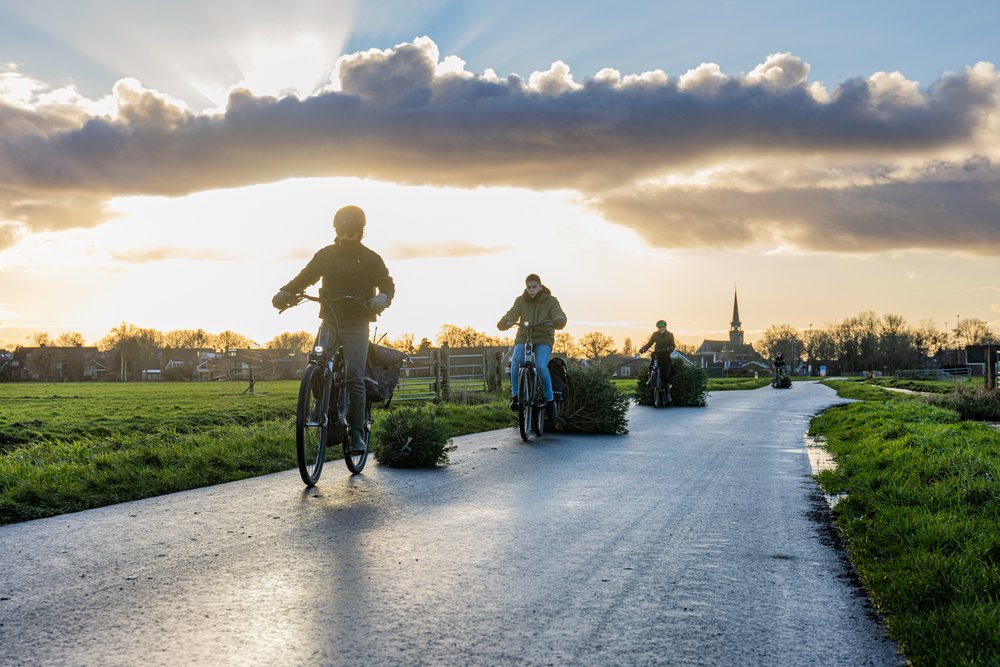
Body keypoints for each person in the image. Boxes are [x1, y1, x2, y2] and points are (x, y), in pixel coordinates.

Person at [271, 205, 395, 453]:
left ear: (361, 232)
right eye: (344, 233)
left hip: (357, 324)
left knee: (354, 377)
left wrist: (382, 298)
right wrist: (286, 292)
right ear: (337, 231)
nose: (348, 238)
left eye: (353, 234)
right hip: (330, 321)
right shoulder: (326, 256)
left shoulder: (371, 259)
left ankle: (357, 434)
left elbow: (387, 284)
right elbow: (305, 277)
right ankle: (323, 409)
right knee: (315, 362)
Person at [497, 274, 567, 417]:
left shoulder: (551, 301)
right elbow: (513, 313)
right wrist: (505, 321)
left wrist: (558, 320)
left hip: (543, 338)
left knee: (541, 366)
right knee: (516, 361)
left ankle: (549, 401)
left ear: (540, 286)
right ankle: (516, 397)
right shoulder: (521, 301)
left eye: (534, 287)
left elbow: (558, 313)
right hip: (524, 336)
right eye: (528, 287)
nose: (531, 290)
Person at [639, 320, 676, 393]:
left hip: (665, 354)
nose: (661, 329)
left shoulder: (670, 335)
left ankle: (669, 385)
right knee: (651, 366)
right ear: (658, 328)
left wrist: (669, 349)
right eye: (659, 327)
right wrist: (644, 348)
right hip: (657, 354)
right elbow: (650, 343)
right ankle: (650, 379)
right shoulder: (655, 334)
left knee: (668, 370)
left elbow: (673, 345)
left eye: (662, 327)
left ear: (665, 327)